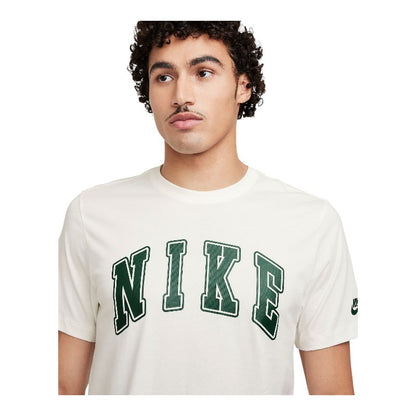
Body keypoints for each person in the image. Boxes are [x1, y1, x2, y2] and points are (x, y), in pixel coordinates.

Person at [58, 21, 358, 395]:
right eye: (164, 77)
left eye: (203, 73)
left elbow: (333, 396)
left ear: (243, 86)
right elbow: (63, 387)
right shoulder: (92, 214)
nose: (181, 95)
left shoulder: (311, 222)